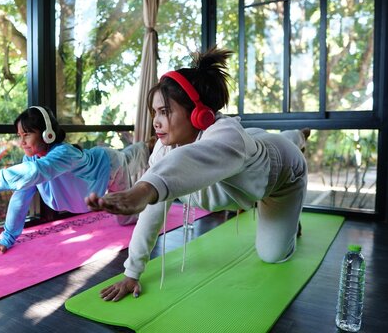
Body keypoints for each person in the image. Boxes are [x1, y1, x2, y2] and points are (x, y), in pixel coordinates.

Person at [85, 47, 309, 302]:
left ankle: (297, 139)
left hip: (283, 178)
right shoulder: (165, 147)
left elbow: (190, 160)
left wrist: (144, 189)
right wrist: (132, 272)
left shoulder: (226, 136)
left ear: (197, 113)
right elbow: (154, 210)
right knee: (252, 140)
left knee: (273, 255)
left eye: (164, 112)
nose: (155, 122)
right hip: (249, 151)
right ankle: (290, 140)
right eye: (154, 112)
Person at [0, 106, 151, 254]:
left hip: (109, 165)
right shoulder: (30, 160)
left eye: (26, 135)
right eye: (19, 136)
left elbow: (36, 171)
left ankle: (148, 147)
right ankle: (143, 147)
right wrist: (6, 238)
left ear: (48, 134)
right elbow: (20, 197)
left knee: (126, 216)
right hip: (90, 178)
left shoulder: (64, 153)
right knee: (129, 157)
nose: (22, 142)